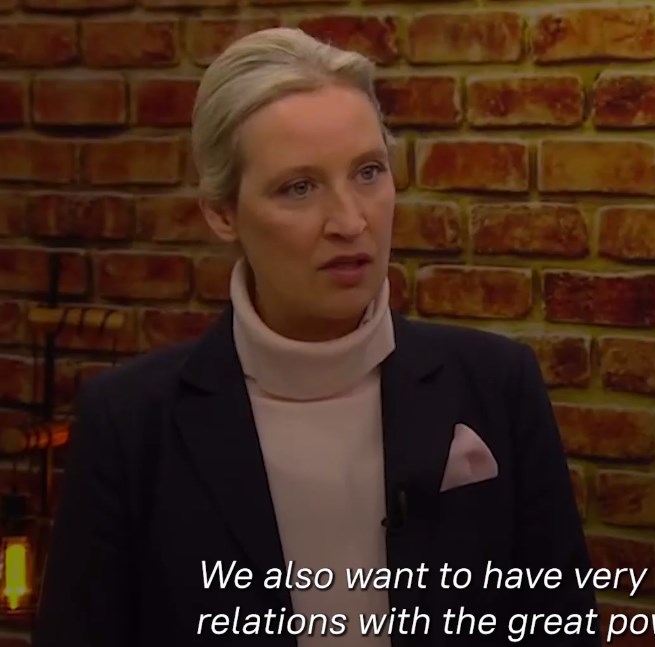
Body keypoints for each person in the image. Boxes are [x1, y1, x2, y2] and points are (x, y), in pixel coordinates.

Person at [31, 27, 600, 647]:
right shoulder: (130, 425)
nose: (350, 221)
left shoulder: (496, 386)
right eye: (299, 187)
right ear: (222, 212)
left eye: (368, 172)